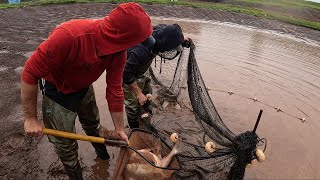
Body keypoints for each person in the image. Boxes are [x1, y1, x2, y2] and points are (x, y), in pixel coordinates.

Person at [20, 2, 153, 179]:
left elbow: (114, 89)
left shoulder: (119, 53)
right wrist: (30, 118)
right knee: (65, 145)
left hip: (84, 86)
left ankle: (103, 157)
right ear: (123, 38)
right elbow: (29, 72)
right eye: (137, 41)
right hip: (59, 92)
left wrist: (119, 129)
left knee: (94, 126)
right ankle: (75, 175)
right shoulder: (69, 35)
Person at [123, 23, 190, 129]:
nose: (171, 50)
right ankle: (134, 129)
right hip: (127, 72)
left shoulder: (161, 31)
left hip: (141, 69)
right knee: (132, 105)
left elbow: (170, 34)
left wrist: (181, 39)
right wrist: (138, 93)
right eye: (172, 47)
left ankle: (146, 115)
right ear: (166, 45)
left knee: (147, 92)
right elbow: (126, 74)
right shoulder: (142, 51)